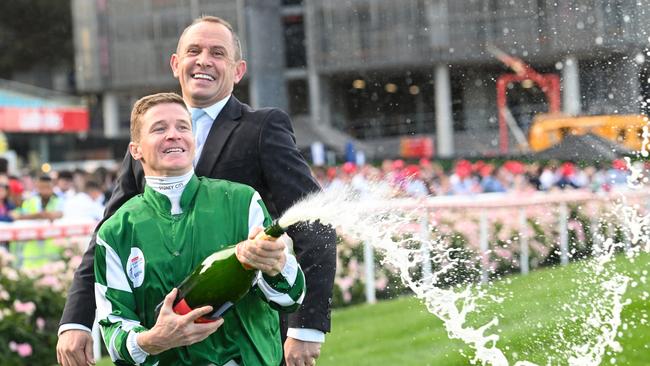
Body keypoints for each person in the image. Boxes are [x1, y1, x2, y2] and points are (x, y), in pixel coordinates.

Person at [57, 15, 336, 366]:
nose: (203, 60)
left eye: (217, 53)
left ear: (238, 71)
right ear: (176, 63)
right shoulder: (149, 138)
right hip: (167, 345)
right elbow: (109, 234)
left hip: (247, 342)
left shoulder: (263, 128)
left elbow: (314, 220)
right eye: (194, 50)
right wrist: (76, 319)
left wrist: (306, 327)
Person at [92, 93, 304, 365]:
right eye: (159, 128)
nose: (174, 135)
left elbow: (291, 299)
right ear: (136, 150)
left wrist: (277, 266)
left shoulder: (242, 201)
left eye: (183, 126)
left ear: (194, 139)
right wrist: (152, 340)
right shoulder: (116, 231)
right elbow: (113, 329)